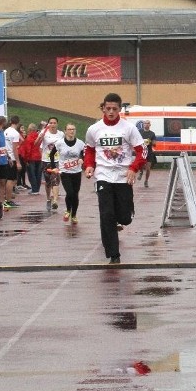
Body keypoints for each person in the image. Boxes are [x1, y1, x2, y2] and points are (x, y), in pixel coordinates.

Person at [84, 93, 146, 264]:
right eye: (108, 108)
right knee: (106, 214)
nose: (111, 112)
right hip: (103, 175)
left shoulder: (128, 128)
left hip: (122, 176)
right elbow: (89, 149)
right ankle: (113, 254)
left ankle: (127, 215)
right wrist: (89, 165)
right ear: (103, 108)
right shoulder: (94, 129)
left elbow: (142, 150)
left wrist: (134, 168)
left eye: (114, 109)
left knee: (124, 217)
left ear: (120, 109)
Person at [55, 123, 84, 224]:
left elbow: (83, 154)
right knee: (70, 192)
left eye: (73, 129)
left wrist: (81, 159)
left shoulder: (80, 143)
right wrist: (53, 167)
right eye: (69, 129)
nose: (72, 131)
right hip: (65, 171)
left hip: (77, 172)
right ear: (65, 131)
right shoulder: (59, 143)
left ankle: (74, 215)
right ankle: (68, 210)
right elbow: (51, 154)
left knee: (75, 194)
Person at [36, 117, 64, 211]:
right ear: (48, 124)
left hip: (56, 161)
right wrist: (41, 136)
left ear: (57, 124)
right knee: (48, 182)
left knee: (55, 180)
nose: (53, 125)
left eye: (54, 123)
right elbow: (36, 144)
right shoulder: (44, 132)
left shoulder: (61, 134)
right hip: (46, 160)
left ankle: (55, 200)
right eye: (51, 123)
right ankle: (48, 199)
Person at [21, 123, 43, 195]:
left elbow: (28, 150)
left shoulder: (28, 138)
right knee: (38, 174)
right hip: (39, 157)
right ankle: (37, 188)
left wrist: (26, 159)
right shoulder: (38, 137)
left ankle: (34, 189)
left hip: (31, 158)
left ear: (29, 129)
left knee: (31, 174)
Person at [137, 119, 156, 188]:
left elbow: (154, 144)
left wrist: (150, 141)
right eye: (145, 123)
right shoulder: (139, 132)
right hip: (141, 151)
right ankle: (141, 171)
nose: (146, 124)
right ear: (143, 124)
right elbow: (136, 140)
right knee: (140, 165)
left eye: (148, 123)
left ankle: (146, 181)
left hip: (149, 152)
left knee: (148, 168)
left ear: (150, 125)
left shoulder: (152, 133)